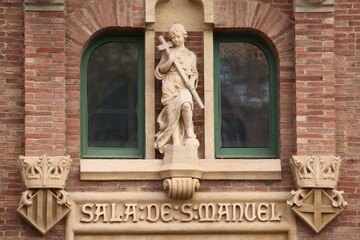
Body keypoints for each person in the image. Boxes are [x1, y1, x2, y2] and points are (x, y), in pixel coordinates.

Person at [154, 23, 199, 153]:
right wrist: (170, 60)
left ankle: (189, 132)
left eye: (178, 37)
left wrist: (191, 80)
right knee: (172, 112)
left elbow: (194, 72)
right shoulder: (168, 52)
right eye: (173, 38)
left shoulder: (190, 55)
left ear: (184, 36)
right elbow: (160, 70)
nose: (176, 40)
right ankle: (176, 141)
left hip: (184, 86)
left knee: (186, 105)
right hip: (169, 84)